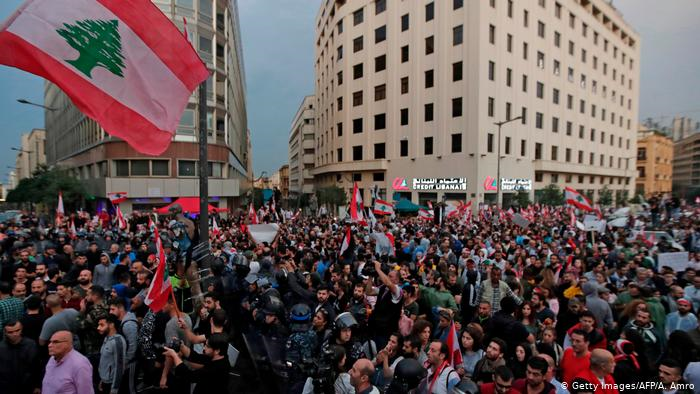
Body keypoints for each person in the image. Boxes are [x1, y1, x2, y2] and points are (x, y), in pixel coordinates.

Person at [162, 333, 230, 394]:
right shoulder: (220, 356)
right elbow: (196, 357)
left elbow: (189, 376)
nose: (204, 348)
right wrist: (181, 346)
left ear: (217, 350)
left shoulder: (216, 369)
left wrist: (174, 356)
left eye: (207, 346)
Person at [108, 297, 139, 394]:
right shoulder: (122, 322)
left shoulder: (128, 324)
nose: (110, 312)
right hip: (126, 363)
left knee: (130, 389)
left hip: (130, 363)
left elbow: (133, 347)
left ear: (121, 308)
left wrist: (125, 362)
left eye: (113, 309)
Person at [0, 320, 41, 394]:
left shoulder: (31, 345)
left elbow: (36, 366)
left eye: (17, 330)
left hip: (27, 387)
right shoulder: (1, 348)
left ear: (21, 329)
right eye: (10, 332)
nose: (15, 334)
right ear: (5, 333)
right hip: (6, 388)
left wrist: (37, 385)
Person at [97, 314, 127, 394]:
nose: (98, 328)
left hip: (111, 384)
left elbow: (120, 368)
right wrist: (102, 380)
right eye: (98, 325)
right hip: (105, 381)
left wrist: (114, 389)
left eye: (102, 325)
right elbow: (104, 361)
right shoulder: (106, 338)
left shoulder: (117, 342)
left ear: (111, 325)